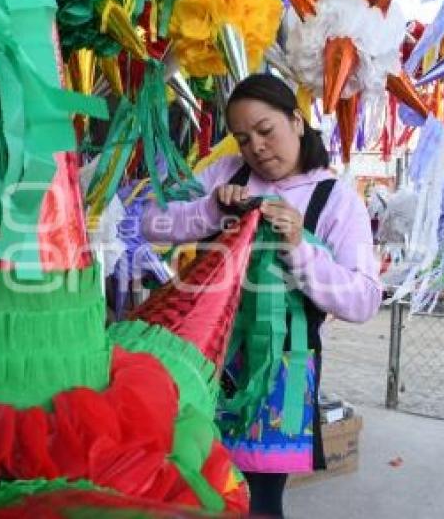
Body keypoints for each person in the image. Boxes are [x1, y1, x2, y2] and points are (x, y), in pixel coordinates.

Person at [142, 74, 382, 517]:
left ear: (296, 120)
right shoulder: (227, 174)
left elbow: (364, 299)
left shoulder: (336, 198)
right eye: (242, 138)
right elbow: (152, 223)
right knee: (197, 478)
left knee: (259, 499)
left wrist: (299, 248)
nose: (256, 147)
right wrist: (210, 208)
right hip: (209, 358)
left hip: (284, 371)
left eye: (265, 130)